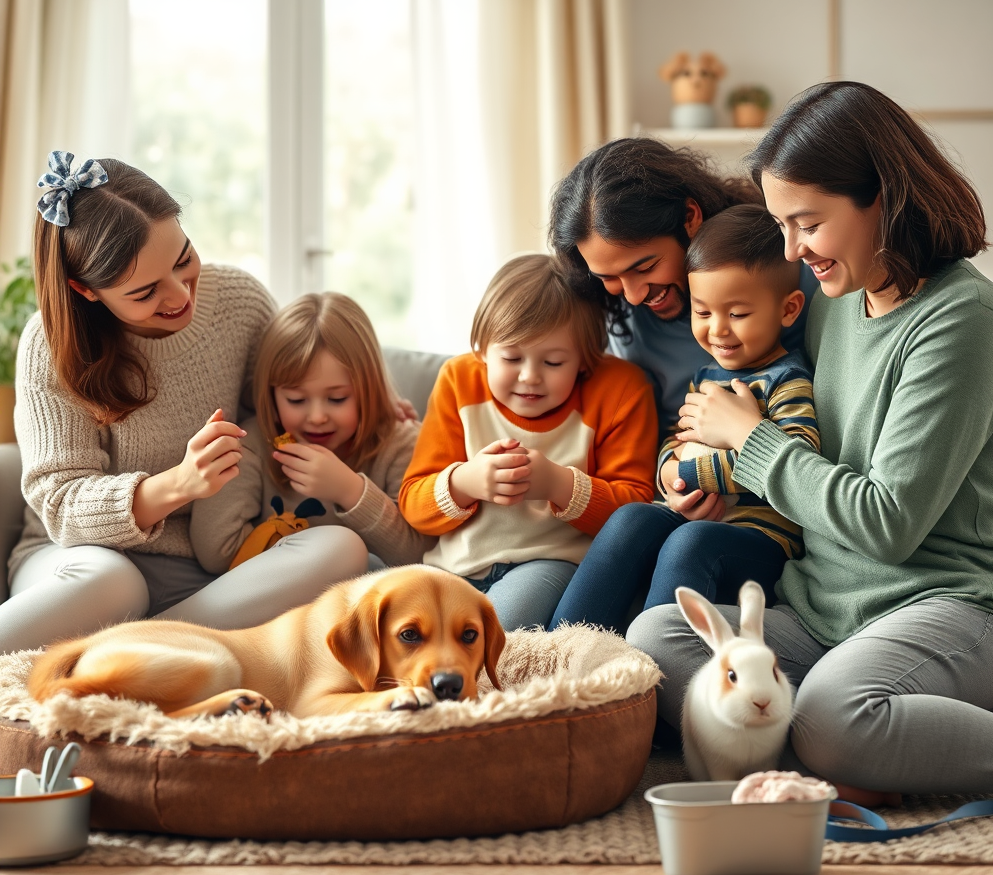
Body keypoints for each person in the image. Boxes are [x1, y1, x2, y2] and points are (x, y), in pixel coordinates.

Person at [627, 82, 993, 796]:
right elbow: (742, 393)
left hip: (948, 605)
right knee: (654, 641)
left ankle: (947, 743)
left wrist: (750, 444)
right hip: (820, 611)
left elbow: (888, 523)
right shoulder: (834, 301)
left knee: (831, 719)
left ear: (882, 198)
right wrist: (688, 473)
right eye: (781, 225)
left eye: (806, 223)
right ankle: (887, 751)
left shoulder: (962, 318)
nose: (791, 249)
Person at [0, 153, 365, 652]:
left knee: (341, 547)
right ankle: (164, 647)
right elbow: (58, 504)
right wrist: (177, 485)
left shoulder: (238, 300)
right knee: (115, 585)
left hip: (208, 572)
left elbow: (287, 401)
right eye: (146, 290)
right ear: (85, 290)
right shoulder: (51, 345)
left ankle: (143, 648)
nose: (179, 296)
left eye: (183, 259)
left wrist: (375, 412)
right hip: (78, 561)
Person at [548, 204, 819, 631]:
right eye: (704, 312)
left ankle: (649, 669)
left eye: (738, 314)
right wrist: (671, 478)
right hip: (692, 515)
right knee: (631, 519)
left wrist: (696, 471)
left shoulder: (789, 381)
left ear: (788, 310)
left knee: (690, 542)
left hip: (760, 542)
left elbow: (799, 460)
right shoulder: (706, 376)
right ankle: (558, 653)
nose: (718, 330)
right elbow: (676, 442)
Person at [549, 136, 821, 522]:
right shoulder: (625, 319)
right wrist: (669, 482)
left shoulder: (782, 275)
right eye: (609, 277)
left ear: (690, 218)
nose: (633, 295)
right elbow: (657, 433)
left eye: (644, 267)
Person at [399, 254, 658, 630]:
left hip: (548, 565)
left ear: (585, 361)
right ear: (482, 351)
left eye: (553, 363)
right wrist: (466, 482)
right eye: (511, 357)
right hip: (453, 567)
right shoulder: (459, 380)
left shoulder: (621, 390)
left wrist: (558, 484)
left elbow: (634, 512)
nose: (530, 377)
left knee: (495, 634)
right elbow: (413, 502)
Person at [189, 292, 429, 572]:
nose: (317, 417)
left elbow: (420, 555)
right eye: (297, 400)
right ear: (271, 396)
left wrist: (350, 491)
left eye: (337, 399)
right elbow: (216, 555)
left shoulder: (400, 443)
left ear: (370, 390)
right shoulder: (254, 443)